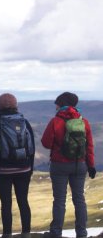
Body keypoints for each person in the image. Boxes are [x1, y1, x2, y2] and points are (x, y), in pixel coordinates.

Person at [41, 92, 96, 238]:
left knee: (59, 200)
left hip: (59, 164)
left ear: (61, 104)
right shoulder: (83, 121)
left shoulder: (56, 121)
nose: (56, 107)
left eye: (57, 104)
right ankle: (82, 233)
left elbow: (45, 143)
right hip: (80, 164)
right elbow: (89, 145)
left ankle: (56, 233)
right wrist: (91, 165)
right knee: (79, 199)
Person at [0, 93, 35, 238]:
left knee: (6, 203)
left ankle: (7, 234)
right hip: (24, 169)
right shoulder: (24, 122)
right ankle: (26, 233)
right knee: (23, 201)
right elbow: (32, 147)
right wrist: (30, 168)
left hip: (2, 170)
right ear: (16, 105)